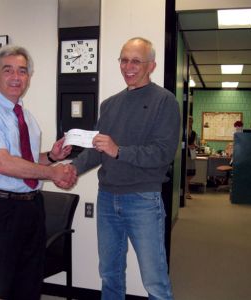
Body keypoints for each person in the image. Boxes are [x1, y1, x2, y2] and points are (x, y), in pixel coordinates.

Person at [70, 37, 180, 300]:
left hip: (143, 199)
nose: (128, 66)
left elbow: (162, 153)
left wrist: (118, 150)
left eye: (136, 61)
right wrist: (71, 168)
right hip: (107, 198)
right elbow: (99, 148)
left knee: (154, 281)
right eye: (124, 60)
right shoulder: (109, 104)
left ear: (151, 65)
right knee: (109, 274)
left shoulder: (165, 102)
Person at [0, 44, 76, 300]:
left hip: (31, 209)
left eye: (23, 71)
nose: (16, 77)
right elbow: (2, 163)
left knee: (28, 286)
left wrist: (51, 157)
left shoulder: (26, 116)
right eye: (9, 70)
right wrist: (53, 173)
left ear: (28, 77)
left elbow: (24, 160)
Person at [186, 116, 197, 199]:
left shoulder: (193, 133)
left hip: (192, 154)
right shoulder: (184, 132)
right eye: (189, 121)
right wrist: (188, 146)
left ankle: (186, 188)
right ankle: (187, 191)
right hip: (185, 155)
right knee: (186, 173)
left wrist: (194, 145)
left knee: (192, 173)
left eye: (191, 121)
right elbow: (181, 144)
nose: (190, 123)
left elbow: (194, 142)